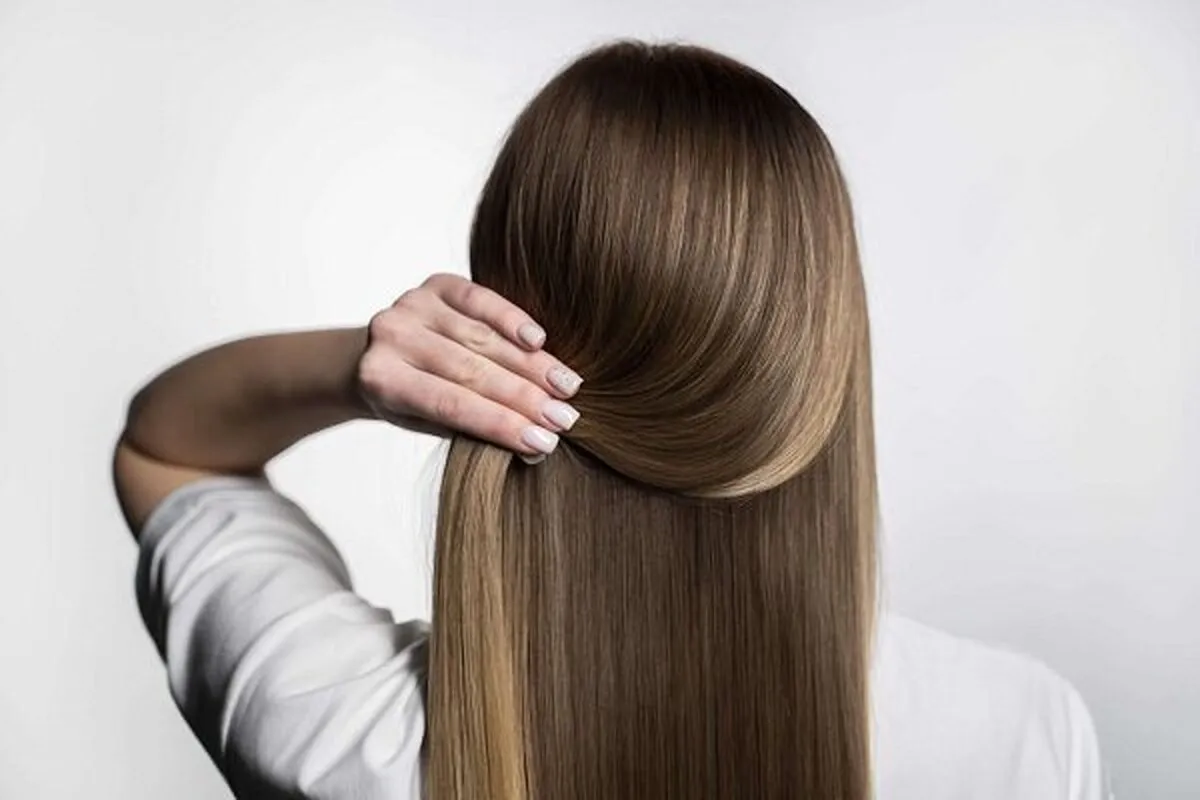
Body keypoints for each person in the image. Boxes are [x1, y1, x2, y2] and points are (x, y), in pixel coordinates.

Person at [112, 41, 1110, 799]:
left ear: (503, 336)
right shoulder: (1023, 737)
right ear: (823, 362)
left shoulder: (349, 733)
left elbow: (167, 449)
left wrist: (363, 366)